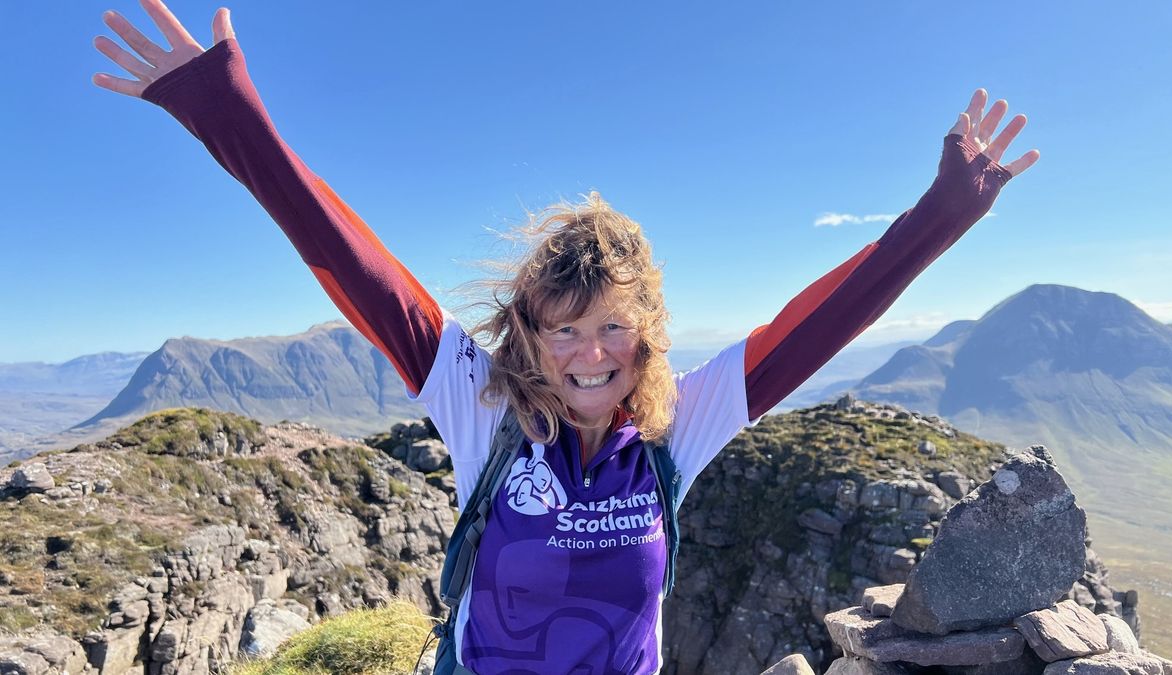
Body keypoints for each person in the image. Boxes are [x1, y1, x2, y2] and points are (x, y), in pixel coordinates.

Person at [92, 2, 1039, 673]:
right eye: (566, 330)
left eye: (613, 327)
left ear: (647, 333)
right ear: (530, 335)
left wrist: (942, 215)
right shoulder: (484, 410)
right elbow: (363, 271)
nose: (591, 353)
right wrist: (229, 115)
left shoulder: (682, 424)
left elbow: (821, 323)